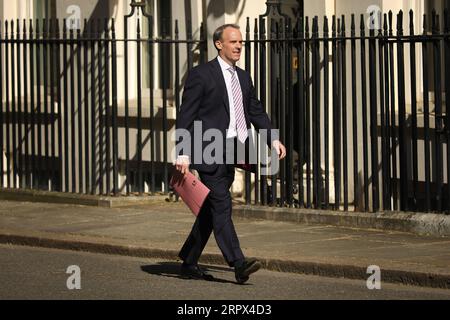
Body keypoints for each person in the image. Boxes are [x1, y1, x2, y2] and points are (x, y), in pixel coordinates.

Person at [174, 24, 286, 284]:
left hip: (235, 149)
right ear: (218, 44)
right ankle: (238, 262)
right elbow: (186, 115)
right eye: (233, 42)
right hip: (209, 149)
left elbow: (255, 110)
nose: (238, 46)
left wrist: (273, 138)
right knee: (222, 203)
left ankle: (189, 261)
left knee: (211, 208)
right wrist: (183, 152)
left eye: (241, 43)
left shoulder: (244, 77)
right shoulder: (201, 75)